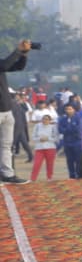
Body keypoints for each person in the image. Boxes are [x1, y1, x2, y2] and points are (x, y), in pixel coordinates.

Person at [0, 40, 32, 184]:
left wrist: (24, 54)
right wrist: (18, 50)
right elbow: (6, 65)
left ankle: (7, 174)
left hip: (7, 110)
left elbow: (17, 67)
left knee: (7, 145)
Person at [30, 111, 57, 181]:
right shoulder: (37, 126)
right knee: (36, 164)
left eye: (47, 119)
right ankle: (33, 178)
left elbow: (56, 138)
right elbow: (33, 137)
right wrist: (39, 139)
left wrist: (47, 138)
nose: (45, 120)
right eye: (44, 119)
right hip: (39, 148)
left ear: (50, 120)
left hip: (50, 148)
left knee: (50, 164)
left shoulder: (53, 127)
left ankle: (49, 177)